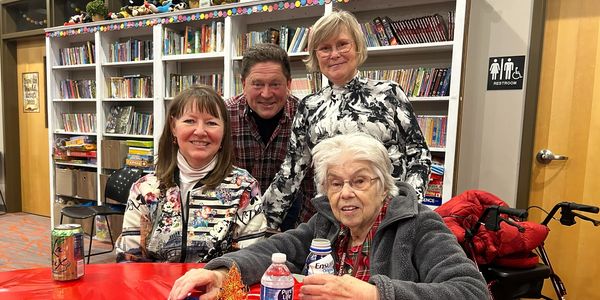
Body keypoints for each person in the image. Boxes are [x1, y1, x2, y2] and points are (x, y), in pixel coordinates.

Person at [168, 133, 488, 300]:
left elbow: (471, 292)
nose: (345, 193)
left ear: (383, 184)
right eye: (335, 183)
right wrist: (223, 273)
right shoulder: (327, 223)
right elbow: (276, 249)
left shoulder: (419, 225)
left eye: (360, 181)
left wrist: (376, 293)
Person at [261, 10, 432, 230]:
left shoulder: (389, 94)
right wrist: (261, 225)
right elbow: (292, 171)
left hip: (389, 218)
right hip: (332, 221)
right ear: (316, 55)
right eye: (324, 48)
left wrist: (407, 208)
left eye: (342, 44)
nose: (334, 54)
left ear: (358, 47)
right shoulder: (309, 107)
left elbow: (419, 155)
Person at [115, 85, 267, 263]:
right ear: (173, 126)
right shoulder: (145, 189)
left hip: (218, 288)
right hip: (154, 288)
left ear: (224, 130)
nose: (200, 131)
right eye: (190, 121)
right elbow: (129, 259)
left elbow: (250, 260)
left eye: (211, 123)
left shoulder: (244, 188)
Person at [226, 43, 315, 230]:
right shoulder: (222, 117)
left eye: (275, 84)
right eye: (257, 84)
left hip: (288, 224)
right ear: (243, 83)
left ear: (289, 84)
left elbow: (311, 191)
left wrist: (296, 237)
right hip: (230, 224)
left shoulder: (306, 119)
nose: (266, 94)